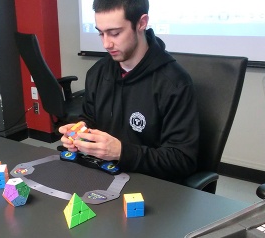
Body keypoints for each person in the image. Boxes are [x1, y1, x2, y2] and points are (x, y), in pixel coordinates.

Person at [59, 0, 199, 183]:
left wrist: (121, 152)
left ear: (142, 23)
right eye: (101, 33)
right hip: (102, 175)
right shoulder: (98, 73)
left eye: (115, 33)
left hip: (152, 184)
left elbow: (182, 160)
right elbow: (90, 119)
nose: (106, 44)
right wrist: (78, 132)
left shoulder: (174, 83)